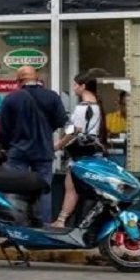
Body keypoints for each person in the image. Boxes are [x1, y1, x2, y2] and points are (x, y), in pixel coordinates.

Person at [0, 65, 68, 225]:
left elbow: (3, 129)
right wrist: (46, 130)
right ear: (37, 78)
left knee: (16, 188)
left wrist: (6, 147)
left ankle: (18, 224)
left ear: (18, 80)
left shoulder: (11, 99)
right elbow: (61, 121)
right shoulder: (51, 96)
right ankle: (43, 225)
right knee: (44, 189)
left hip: (18, 151)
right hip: (43, 150)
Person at [51, 73, 107, 228]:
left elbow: (75, 130)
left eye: (75, 84)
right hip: (92, 152)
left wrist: (59, 144)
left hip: (81, 154)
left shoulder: (83, 107)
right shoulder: (96, 106)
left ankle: (61, 221)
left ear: (83, 86)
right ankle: (66, 220)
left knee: (71, 187)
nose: (74, 88)